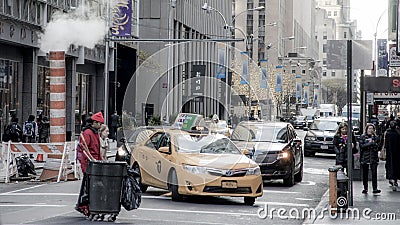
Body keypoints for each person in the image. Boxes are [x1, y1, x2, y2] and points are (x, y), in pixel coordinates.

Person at [75, 111, 104, 216]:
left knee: (91, 185)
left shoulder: (95, 132)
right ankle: (85, 206)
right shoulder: (88, 133)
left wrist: (100, 160)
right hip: (88, 162)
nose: (100, 126)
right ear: (94, 122)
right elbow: (84, 148)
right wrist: (92, 160)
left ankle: (86, 205)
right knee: (89, 185)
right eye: (99, 124)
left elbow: (97, 149)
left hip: (94, 161)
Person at [359, 123, 381, 194]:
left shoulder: (376, 137)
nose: (370, 130)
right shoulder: (363, 137)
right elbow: (361, 146)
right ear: (366, 129)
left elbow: (378, 147)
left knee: (374, 173)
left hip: (373, 157)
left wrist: (373, 143)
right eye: (369, 128)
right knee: (365, 174)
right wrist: (369, 143)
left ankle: (375, 188)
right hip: (365, 157)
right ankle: (365, 188)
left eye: (372, 129)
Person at [383, 120, 400, 187]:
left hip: (389, 152)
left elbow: (384, 143)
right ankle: (395, 179)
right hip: (397, 153)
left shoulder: (387, 133)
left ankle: (391, 178)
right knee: (396, 166)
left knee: (390, 165)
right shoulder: (398, 133)